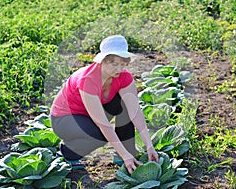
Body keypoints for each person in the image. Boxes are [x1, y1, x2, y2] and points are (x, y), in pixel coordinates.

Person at [50, 35, 158, 174]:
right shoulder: (88, 79)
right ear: (103, 61)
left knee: (125, 104)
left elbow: (134, 111)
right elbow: (103, 125)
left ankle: (125, 154)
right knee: (99, 136)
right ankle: (68, 152)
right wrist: (126, 157)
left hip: (89, 115)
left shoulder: (124, 77)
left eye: (123, 64)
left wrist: (149, 145)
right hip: (65, 119)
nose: (119, 69)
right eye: (114, 64)